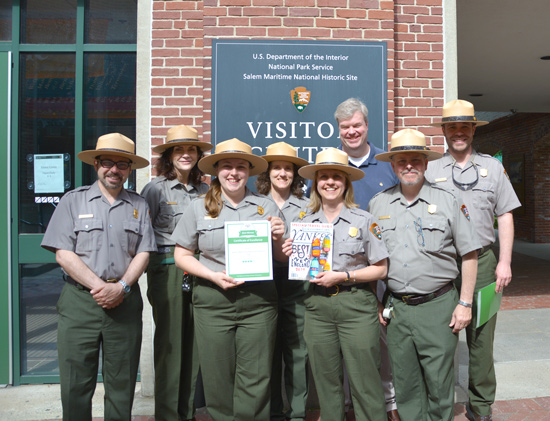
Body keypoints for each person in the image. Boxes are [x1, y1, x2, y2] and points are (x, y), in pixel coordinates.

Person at [41, 133, 156, 420]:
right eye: (108, 162)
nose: (114, 169)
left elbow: (144, 252)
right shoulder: (73, 201)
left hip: (125, 303)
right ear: (96, 164)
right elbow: (63, 253)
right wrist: (101, 288)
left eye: (122, 164)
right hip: (80, 302)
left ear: (129, 169)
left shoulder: (139, 205)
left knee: (122, 382)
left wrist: (121, 287)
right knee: (75, 383)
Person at [368, 129, 481, 421]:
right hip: (398, 309)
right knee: (405, 383)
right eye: (401, 160)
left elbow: (469, 254)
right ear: (392, 164)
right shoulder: (378, 205)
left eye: (415, 160)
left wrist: (465, 303)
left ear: (425, 163)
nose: (408, 166)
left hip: (438, 307)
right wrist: (377, 302)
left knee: (439, 384)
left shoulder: (449, 201)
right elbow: (371, 260)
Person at [171, 138, 287, 420]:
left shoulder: (266, 207)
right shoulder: (199, 207)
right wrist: (212, 275)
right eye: (227, 166)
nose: (233, 173)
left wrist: (280, 237)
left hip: (258, 301)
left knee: (257, 376)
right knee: (217, 376)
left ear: (249, 172)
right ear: (216, 171)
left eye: (240, 167)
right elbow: (181, 255)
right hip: (213, 300)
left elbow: (282, 258)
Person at [425, 100, 521, 421]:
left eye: (464, 126)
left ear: (473, 129)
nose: (458, 132)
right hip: (441, 266)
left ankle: (480, 408)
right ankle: (438, 406)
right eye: (452, 126)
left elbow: (505, 215)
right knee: (440, 340)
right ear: (444, 131)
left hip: (483, 264)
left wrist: (504, 262)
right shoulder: (430, 169)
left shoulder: (492, 168)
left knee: (481, 341)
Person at [283, 147, 389, 421]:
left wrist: (344, 276)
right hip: (317, 306)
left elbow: (381, 268)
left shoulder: (364, 220)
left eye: (336, 177)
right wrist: (289, 253)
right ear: (316, 183)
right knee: (326, 381)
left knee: (365, 381)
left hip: (356, 305)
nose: (330, 182)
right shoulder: (304, 223)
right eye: (324, 177)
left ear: (346, 182)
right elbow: (300, 268)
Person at [140, 125, 213, 421]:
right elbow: (143, 233)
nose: (186, 154)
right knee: (171, 342)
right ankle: (169, 414)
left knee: (195, 342)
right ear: (169, 155)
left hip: (199, 268)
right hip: (168, 269)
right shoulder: (155, 189)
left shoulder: (207, 191)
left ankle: (187, 411)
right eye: (179, 150)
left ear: (198, 154)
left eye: (192, 149)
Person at [335, 97, 400, 420]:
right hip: (343, 273)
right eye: (345, 127)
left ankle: (389, 402)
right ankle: (349, 403)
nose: (352, 132)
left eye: (357, 125)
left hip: (382, 270)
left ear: (367, 126)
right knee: (348, 344)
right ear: (338, 130)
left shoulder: (388, 167)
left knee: (383, 340)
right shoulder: (330, 166)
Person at [255, 142, 310, 421]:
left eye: (288, 168)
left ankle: (298, 413)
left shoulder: (308, 207)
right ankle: (272, 412)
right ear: (267, 173)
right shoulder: (254, 205)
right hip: (261, 284)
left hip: (297, 284)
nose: (282, 173)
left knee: (298, 350)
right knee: (266, 352)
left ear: (295, 174)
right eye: (276, 167)